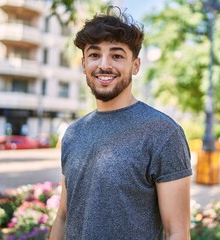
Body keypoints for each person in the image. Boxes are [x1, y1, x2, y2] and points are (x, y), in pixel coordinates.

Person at [49, 6, 192, 240]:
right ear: (84, 64)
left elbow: (177, 232)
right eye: (94, 55)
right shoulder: (73, 134)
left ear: (135, 65)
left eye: (117, 55)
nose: (104, 65)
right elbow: (64, 215)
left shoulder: (163, 133)